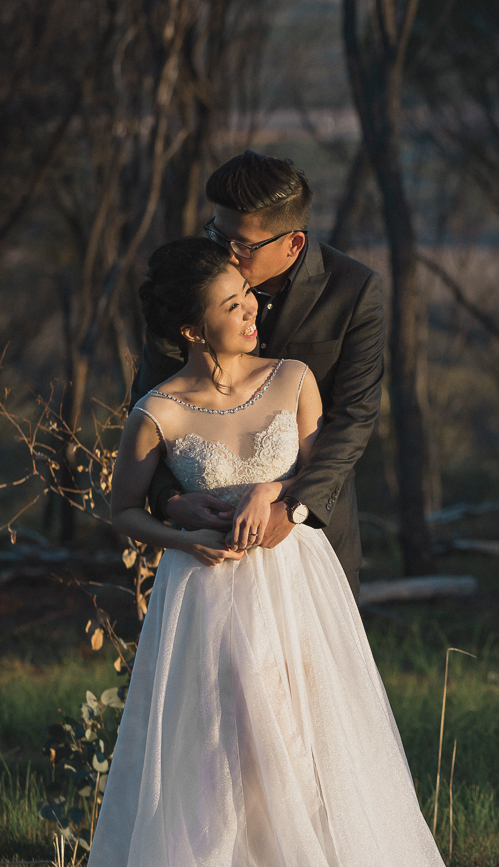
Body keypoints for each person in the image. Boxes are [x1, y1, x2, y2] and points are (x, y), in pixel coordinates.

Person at [70, 236, 499, 867]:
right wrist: (182, 532)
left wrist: (275, 491)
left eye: (247, 298)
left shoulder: (294, 377)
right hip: (208, 592)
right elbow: (121, 511)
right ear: (191, 329)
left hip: (294, 582)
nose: (250, 312)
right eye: (231, 304)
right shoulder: (159, 411)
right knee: (223, 742)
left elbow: (316, 471)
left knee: (302, 734)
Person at [133, 151, 381, 592]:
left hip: (313, 538)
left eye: (242, 246)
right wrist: (171, 502)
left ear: (294, 243)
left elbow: (354, 419)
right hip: (206, 554)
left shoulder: (353, 291)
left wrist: (294, 507)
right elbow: (150, 406)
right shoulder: (191, 282)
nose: (223, 253)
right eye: (217, 234)